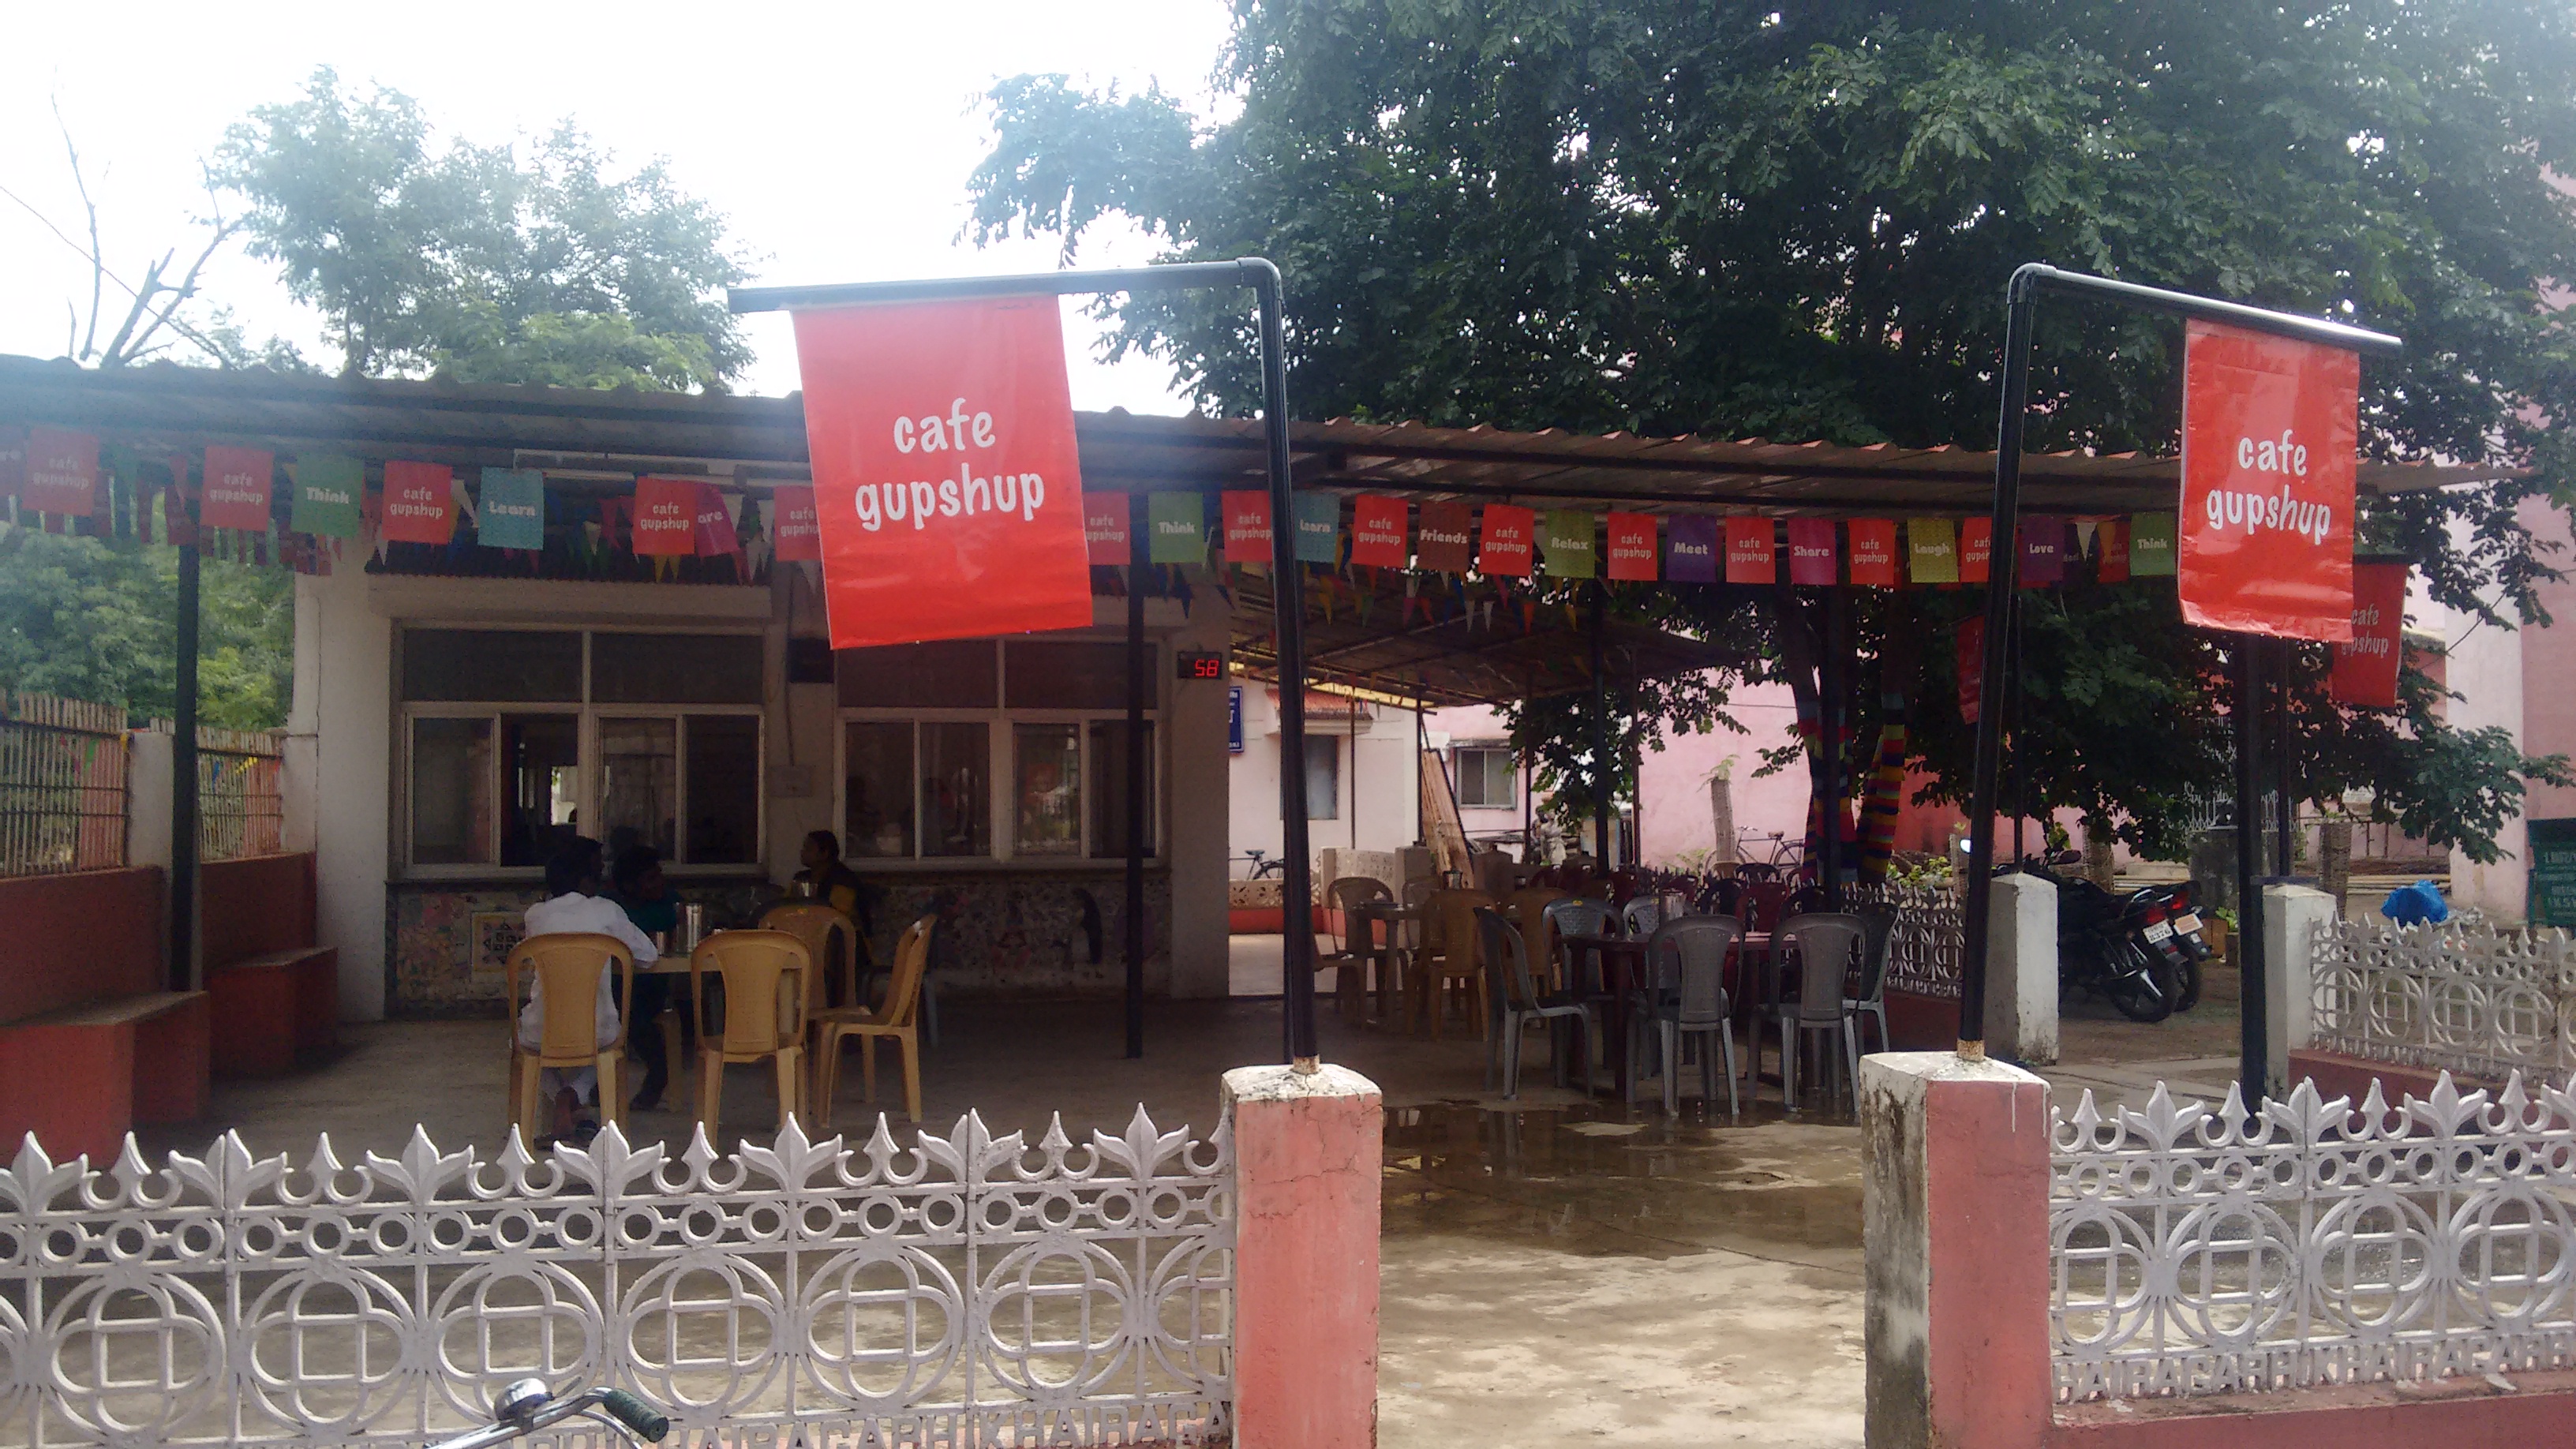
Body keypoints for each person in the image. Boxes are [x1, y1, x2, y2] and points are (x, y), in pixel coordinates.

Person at [521, 838, 658, 1144]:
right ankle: (574, 1097)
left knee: (518, 1044)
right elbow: (648, 957)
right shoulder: (607, 911)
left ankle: (561, 1099)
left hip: (541, 1028)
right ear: (586, 880)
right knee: (607, 1044)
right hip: (599, 1028)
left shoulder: (535, 915)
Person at [608, 845, 683, 1111]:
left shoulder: (671, 904)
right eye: (650, 879)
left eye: (659, 875)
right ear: (629, 886)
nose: (659, 883)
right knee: (616, 1003)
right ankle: (597, 1081)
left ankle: (658, 1072)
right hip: (613, 984)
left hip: (651, 985)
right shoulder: (613, 908)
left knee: (632, 1011)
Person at [795, 829, 880, 1002]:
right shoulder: (801, 879)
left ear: (824, 854)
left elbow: (835, 916)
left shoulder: (843, 880)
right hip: (808, 935)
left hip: (849, 943)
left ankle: (832, 1006)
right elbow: (784, 908)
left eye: (809, 848)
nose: (802, 852)